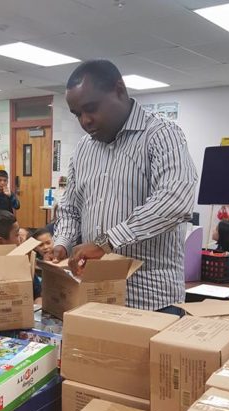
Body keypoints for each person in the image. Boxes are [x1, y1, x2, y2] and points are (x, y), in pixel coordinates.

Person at [51, 59, 197, 312]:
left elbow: (175, 200)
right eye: (77, 114)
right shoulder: (83, 149)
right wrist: (62, 243)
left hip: (151, 300)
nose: (85, 121)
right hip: (95, 296)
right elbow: (71, 208)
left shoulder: (161, 134)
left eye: (91, 108)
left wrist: (105, 242)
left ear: (119, 90)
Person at [0, 210, 41, 300]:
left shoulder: (23, 264)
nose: (20, 239)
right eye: (16, 235)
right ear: (0, 242)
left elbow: (38, 295)